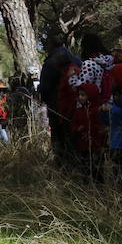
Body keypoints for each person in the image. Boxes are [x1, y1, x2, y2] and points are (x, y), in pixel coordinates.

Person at [38, 34, 80, 165]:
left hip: (56, 105)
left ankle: (63, 166)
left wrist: (44, 98)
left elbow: (45, 87)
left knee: (59, 138)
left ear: (51, 44)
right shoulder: (76, 59)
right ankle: (79, 163)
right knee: (75, 136)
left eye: (46, 44)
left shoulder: (50, 62)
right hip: (77, 104)